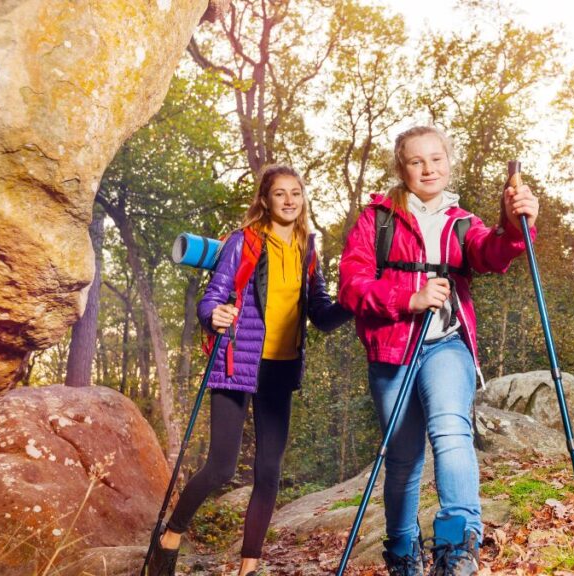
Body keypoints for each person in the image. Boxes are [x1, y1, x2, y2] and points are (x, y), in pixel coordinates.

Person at [338, 126, 539, 575]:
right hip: (392, 352)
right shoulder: (377, 220)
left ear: (449, 162)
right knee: (404, 457)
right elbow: (351, 286)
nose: (429, 168)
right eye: (416, 161)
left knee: (451, 431)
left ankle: (456, 546)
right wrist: (406, 298)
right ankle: (403, 551)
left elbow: (492, 253)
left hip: (446, 345)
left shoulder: (460, 221)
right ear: (401, 168)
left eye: (437, 158)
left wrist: (513, 222)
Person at [148, 165, 352, 576]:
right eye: (281, 193)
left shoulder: (308, 248)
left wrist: (357, 298)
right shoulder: (243, 242)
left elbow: (322, 314)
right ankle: (170, 537)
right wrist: (214, 316)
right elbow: (214, 297)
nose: (290, 200)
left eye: (296, 192)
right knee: (222, 467)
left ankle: (249, 567)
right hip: (236, 361)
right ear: (265, 199)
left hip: (281, 368)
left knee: (269, 470)